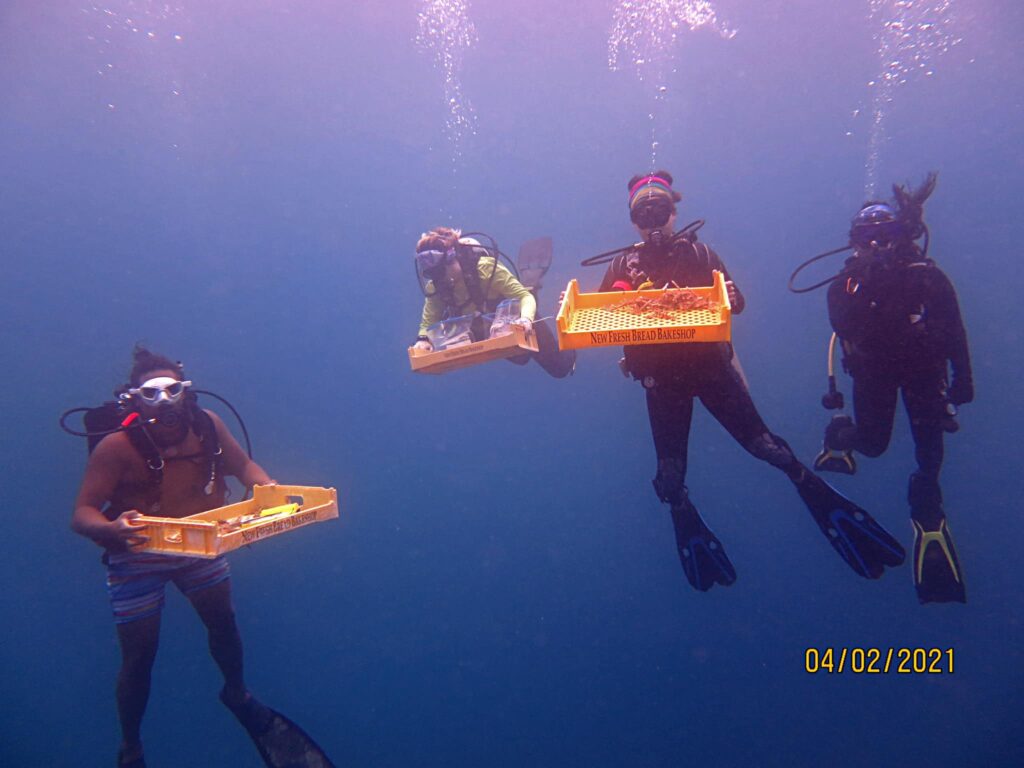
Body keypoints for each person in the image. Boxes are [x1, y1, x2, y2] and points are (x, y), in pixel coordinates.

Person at [595, 171, 905, 591]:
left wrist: (726, 295)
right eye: (643, 213)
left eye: (660, 210)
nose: (652, 221)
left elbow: (734, 299)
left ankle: (809, 486)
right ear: (633, 221)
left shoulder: (701, 255)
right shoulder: (621, 266)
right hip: (660, 380)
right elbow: (602, 310)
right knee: (669, 478)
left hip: (710, 369)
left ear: (674, 212)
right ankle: (683, 512)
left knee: (767, 448)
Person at [70, 347, 332, 768]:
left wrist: (269, 490)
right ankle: (131, 746)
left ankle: (236, 692)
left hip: (200, 540)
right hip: (138, 550)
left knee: (223, 621)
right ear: (133, 399)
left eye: (172, 391)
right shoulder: (115, 448)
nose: (164, 403)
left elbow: (244, 466)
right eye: (151, 394)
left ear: (186, 393)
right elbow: (81, 515)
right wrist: (112, 530)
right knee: (140, 655)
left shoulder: (207, 427)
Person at [814, 173, 972, 604]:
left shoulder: (925, 274)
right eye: (869, 238)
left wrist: (964, 378)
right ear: (855, 243)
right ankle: (839, 435)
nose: (879, 245)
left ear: (902, 234)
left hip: (924, 374)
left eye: (887, 235)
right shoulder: (847, 283)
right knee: (873, 445)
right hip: (874, 375)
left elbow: (954, 328)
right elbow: (842, 323)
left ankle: (926, 508)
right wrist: (870, 285)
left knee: (930, 453)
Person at [412, 226, 576, 378]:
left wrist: (525, 320)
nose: (442, 279)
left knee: (560, 368)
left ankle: (534, 287)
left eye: (442, 272)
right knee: (521, 358)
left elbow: (524, 298)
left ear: (453, 258)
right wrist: (423, 340)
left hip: (514, 317)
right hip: (485, 326)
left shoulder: (485, 268)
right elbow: (428, 321)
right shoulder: (436, 286)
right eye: (434, 275)